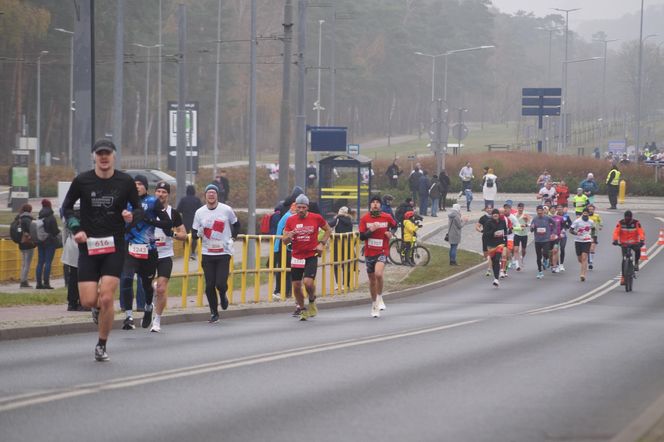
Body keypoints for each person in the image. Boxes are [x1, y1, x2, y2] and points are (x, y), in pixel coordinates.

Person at [62, 138, 143, 362]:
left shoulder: (125, 181)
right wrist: (76, 228)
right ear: (94, 157)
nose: (104, 157)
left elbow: (138, 209)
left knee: (107, 297)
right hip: (88, 245)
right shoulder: (82, 181)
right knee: (88, 300)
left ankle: (101, 344)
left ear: (114, 156)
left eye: (107, 153)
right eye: (100, 154)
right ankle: (96, 308)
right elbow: (66, 208)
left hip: (114, 245)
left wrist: (131, 216)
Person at [120, 175, 172, 330]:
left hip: (148, 251)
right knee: (127, 279)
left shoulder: (152, 202)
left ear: (145, 187)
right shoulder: (125, 202)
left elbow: (167, 223)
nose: (137, 186)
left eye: (140, 184)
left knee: (146, 285)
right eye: (134, 184)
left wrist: (150, 221)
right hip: (129, 248)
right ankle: (128, 316)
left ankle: (148, 307)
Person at [192, 183, 240, 323]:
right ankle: (214, 312)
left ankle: (223, 294)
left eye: (213, 193)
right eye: (209, 193)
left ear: (217, 195)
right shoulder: (199, 212)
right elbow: (194, 233)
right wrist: (199, 232)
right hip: (207, 253)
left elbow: (236, 224)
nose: (211, 195)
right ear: (205, 195)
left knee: (220, 283)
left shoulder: (226, 210)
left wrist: (233, 238)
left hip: (223, 252)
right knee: (209, 285)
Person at [282, 194, 331, 321]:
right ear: (295, 207)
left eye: (304, 207)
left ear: (307, 207)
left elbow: (328, 230)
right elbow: (284, 241)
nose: (301, 210)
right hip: (297, 255)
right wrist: (289, 236)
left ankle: (312, 299)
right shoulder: (290, 220)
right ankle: (303, 309)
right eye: (299, 207)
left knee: (308, 283)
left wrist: (322, 244)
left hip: (311, 254)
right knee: (297, 285)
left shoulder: (316, 218)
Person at [152, 181, 187, 332]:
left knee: (162, 289)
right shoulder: (148, 210)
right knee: (148, 286)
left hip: (165, 255)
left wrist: (172, 234)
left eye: (164, 192)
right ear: (155, 193)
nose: (161, 194)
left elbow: (184, 234)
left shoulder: (173, 213)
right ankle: (152, 291)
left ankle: (157, 321)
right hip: (147, 253)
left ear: (168, 195)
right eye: (158, 191)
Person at [359, 196, 396, 318]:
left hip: (382, 250)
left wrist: (391, 233)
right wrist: (371, 230)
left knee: (378, 274)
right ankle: (374, 304)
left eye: (377, 202)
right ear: (370, 205)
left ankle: (380, 297)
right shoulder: (365, 218)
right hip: (370, 252)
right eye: (373, 202)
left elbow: (395, 225)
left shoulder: (387, 217)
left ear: (380, 205)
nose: (375, 204)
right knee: (372, 280)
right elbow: (362, 237)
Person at [612, 210, 646, 284]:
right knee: (624, 260)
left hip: (634, 243)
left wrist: (642, 240)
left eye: (629, 217)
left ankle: (636, 263)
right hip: (624, 243)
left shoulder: (636, 222)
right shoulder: (620, 223)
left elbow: (640, 231)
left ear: (631, 217)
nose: (627, 218)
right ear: (624, 217)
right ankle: (623, 277)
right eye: (626, 217)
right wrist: (615, 240)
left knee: (638, 251)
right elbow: (616, 232)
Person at [61, 205, 84, 311]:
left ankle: (71, 303)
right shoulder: (87, 215)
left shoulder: (68, 218)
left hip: (71, 245)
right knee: (84, 276)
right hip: (84, 246)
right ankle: (83, 301)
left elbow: (64, 234)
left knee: (73, 276)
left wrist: (65, 246)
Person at [33, 199, 60, 290]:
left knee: (40, 262)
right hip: (50, 242)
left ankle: (38, 283)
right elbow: (55, 231)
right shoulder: (51, 217)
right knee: (48, 262)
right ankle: (46, 283)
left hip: (40, 241)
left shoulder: (39, 216)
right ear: (49, 205)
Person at [328, 206, 354, 291]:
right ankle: (346, 284)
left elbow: (328, 225)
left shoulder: (337, 219)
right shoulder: (350, 221)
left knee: (336, 264)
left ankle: (338, 284)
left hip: (337, 244)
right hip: (348, 244)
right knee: (347, 264)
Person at [482, 209, 508, 287]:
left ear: (498, 215)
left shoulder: (502, 222)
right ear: (492, 215)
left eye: (496, 214)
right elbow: (485, 235)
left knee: (497, 258)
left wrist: (505, 242)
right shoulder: (488, 223)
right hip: (491, 245)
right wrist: (493, 231)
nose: (495, 215)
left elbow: (505, 232)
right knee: (494, 262)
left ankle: (500, 272)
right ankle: (496, 279)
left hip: (500, 244)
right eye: (494, 214)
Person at [177, 185, 203, 260]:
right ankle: (193, 253)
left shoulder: (183, 199)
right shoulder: (197, 200)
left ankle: (186, 253)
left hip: (185, 221)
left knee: (185, 237)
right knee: (194, 237)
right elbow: (200, 210)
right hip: (195, 221)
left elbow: (178, 210)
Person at [569, 207, 595, 282]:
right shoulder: (577, 221)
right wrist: (576, 233)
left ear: (588, 214)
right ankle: (584, 265)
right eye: (584, 214)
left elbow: (593, 229)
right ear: (582, 214)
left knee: (584, 257)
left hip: (587, 241)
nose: (585, 215)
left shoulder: (591, 221)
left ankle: (582, 274)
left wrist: (592, 237)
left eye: (587, 214)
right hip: (578, 240)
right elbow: (571, 230)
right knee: (580, 259)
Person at [530, 205, 555, 280]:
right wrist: (532, 227)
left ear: (543, 211)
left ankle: (546, 259)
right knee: (538, 257)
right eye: (538, 211)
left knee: (545, 253)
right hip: (537, 240)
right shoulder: (534, 219)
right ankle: (540, 272)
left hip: (546, 239)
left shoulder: (547, 218)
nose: (540, 212)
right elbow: (531, 230)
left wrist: (553, 233)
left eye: (541, 211)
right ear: (537, 211)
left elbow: (554, 224)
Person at [17, 204, 36, 289]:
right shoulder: (28, 219)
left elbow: (19, 230)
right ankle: (24, 282)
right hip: (28, 244)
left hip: (21, 243)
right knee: (27, 264)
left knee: (24, 263)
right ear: (30, 210)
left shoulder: (19, 218)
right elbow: (31, 230)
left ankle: (23, 280)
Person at [476, 206, 494, 276]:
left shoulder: (495, 216)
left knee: (492, 252)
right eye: (488, 208)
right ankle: (490, 262)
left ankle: (490, 266)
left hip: (493, 237)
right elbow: (477, 226)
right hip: (485, 237)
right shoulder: (483, 218)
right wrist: (481, 231)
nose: (489, 209)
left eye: (491, 208)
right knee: (486, 253)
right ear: (485, 209)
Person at [511, 203, 530, 271]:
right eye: (519, 207)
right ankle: (517, 265)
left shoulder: (525, 215)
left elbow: (530, 224)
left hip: (524, 235)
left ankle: (522, 257)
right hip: (517, 234)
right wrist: (516, 228)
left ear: (523, 208)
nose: (520, 208)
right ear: (517, 208)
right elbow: (512, 226)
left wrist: (526, 224)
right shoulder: (514, 215)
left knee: (523, 250)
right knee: (516, 249)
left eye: (522, 207)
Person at [587, 204, 602, 270]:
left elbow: (600, 221)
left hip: (594, 233)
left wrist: (601, 226)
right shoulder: (585, 216)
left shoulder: (597, 216)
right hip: (586, 233)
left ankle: (591, 262)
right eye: (589, 209)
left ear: (594, 210)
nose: (591, 210)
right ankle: (588, 257)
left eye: (592, 209)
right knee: (587, 248)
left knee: (592, 248)